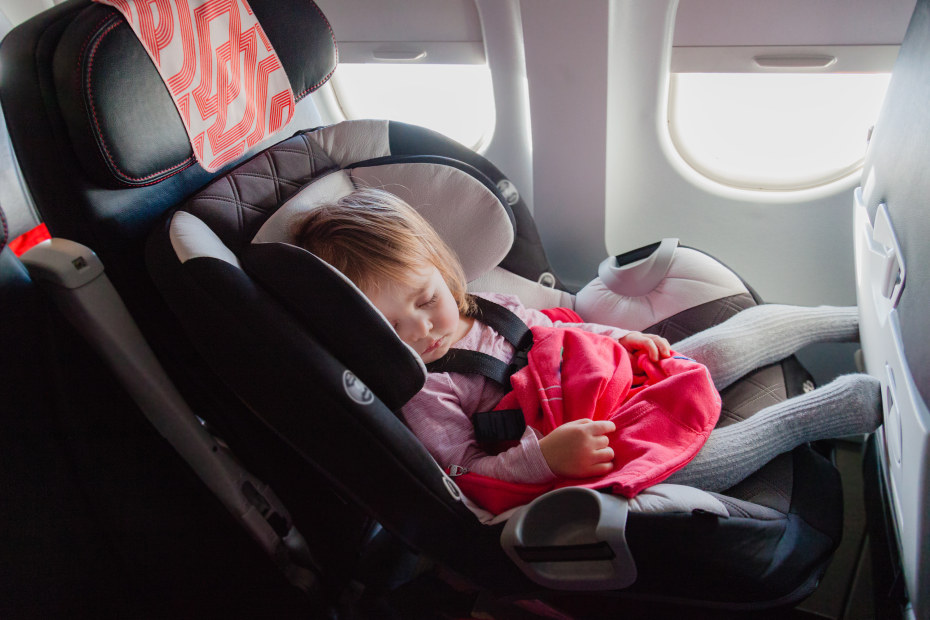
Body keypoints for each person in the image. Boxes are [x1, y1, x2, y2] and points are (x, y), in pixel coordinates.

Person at [294, 188, 882, 494]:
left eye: (426, 301)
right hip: (585, 440)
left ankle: (843, 317)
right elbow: (467, 471)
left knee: (718, 350)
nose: (422, 329)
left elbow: (557, 329)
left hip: (611, 379)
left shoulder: (486, 307)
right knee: (681, 472)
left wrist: (624, 338)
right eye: (391, 327)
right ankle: (810, 418)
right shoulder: (424, 390)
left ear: (444, 274)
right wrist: (545, 458)